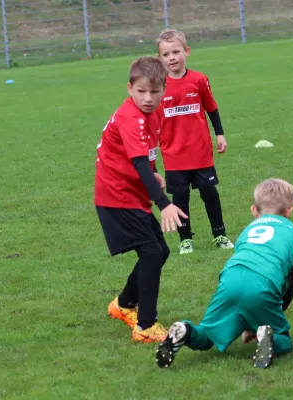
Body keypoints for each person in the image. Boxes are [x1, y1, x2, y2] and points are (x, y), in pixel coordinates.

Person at [156, 179, 293, 369]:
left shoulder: (247, 231)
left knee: (208, 334)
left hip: (230, 278)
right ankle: (271, 339)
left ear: (254, 211)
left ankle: (185, 330)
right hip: (263, 284)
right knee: (284, 337)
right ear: (289, 211)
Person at [95, 56, 187, 343]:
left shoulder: (154, 114)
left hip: (132, 193)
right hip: (116, 195)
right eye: (141, 91)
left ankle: (123, 304)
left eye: (155, 92)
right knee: (151, 253)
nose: (148, 98)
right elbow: (136, 162)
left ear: (163, 89)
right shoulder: (130, 117)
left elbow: (147, 154)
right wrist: (164, 202)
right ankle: (146, 325)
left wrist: (155, 173)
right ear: (129, 89)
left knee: (161, 252)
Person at [155, 29, 234, 255]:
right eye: (166, 54)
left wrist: (219, 134)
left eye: (176, 52)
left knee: (210, 192)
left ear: (186, 52)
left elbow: (211, 107)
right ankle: (185, 238)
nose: (172, 58)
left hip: (200, 152)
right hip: (173, 155)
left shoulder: (199, 80)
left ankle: (219, 234)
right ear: (160, 58)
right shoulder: (158, 86)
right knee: (180, 198)